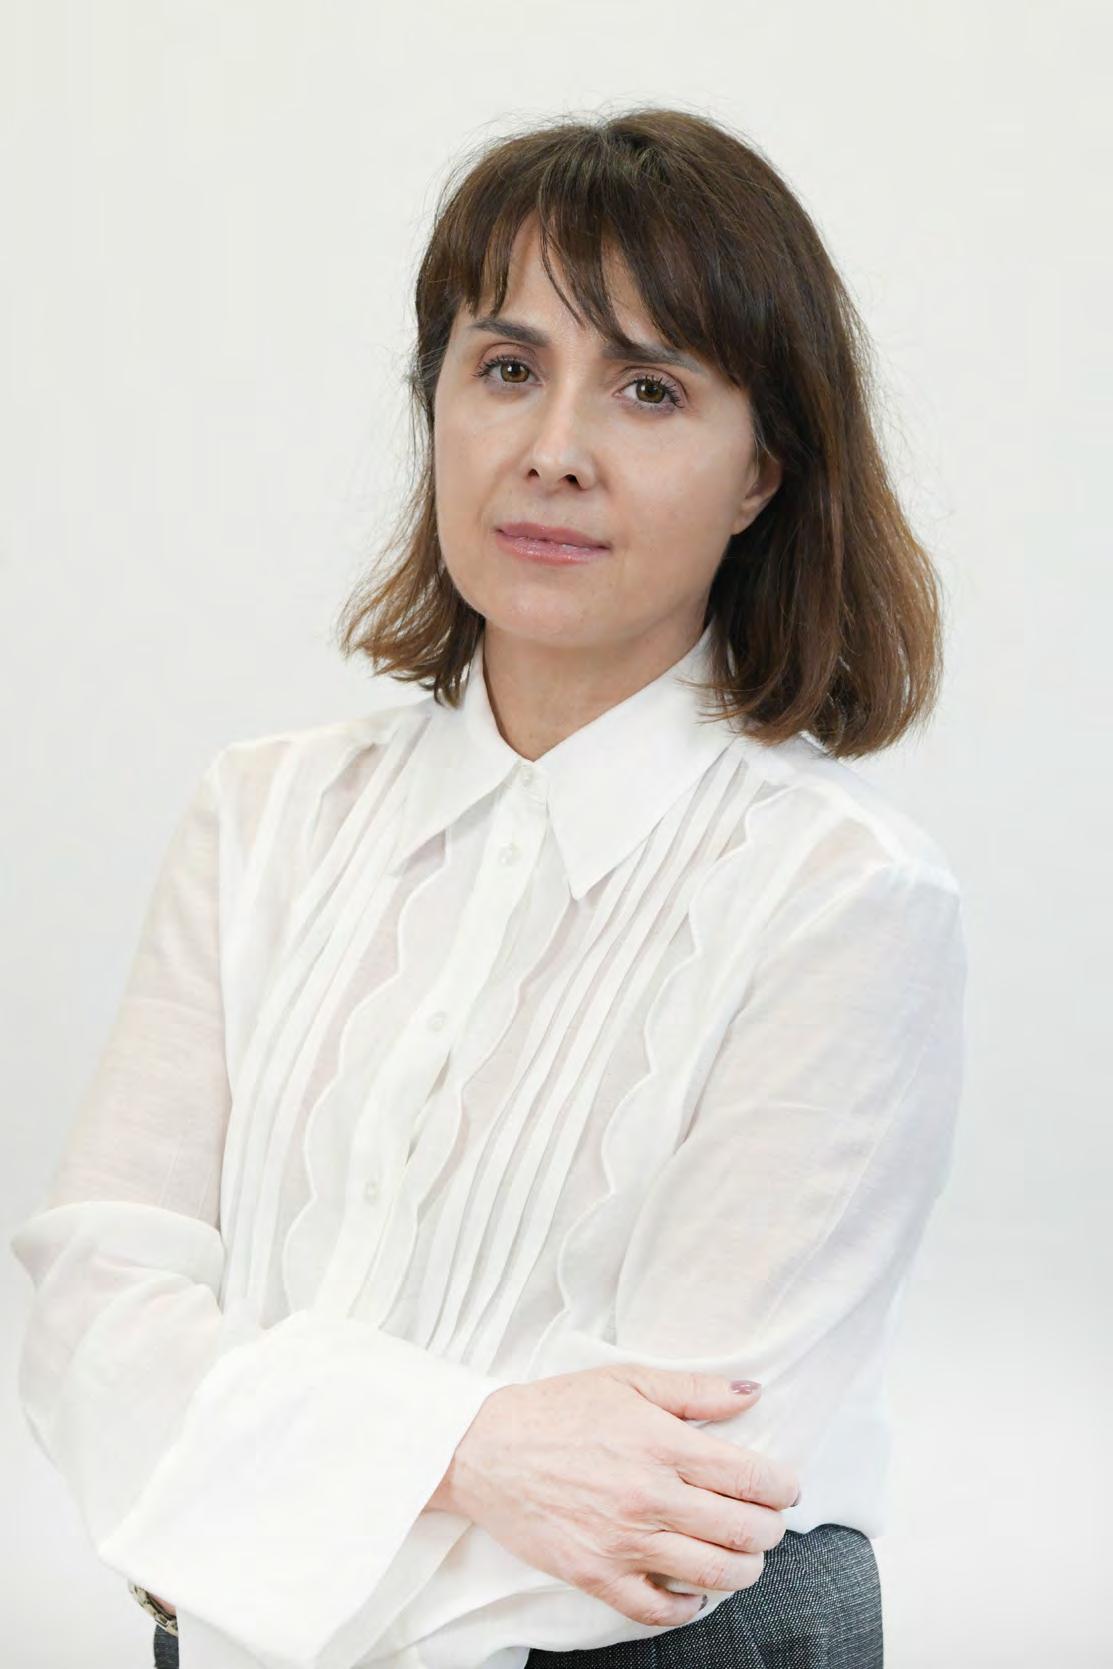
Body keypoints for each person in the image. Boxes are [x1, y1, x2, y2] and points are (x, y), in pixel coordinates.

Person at [9, 105, 966, 1669]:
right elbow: (86, 1317)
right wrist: (473, 1447)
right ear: (436, 403)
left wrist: (233, 1491)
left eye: (648, 388)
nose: (552, 448)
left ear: (760, 474)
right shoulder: (259, 818)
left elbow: (661, 1520)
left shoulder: (842, 900)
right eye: (507, 366)